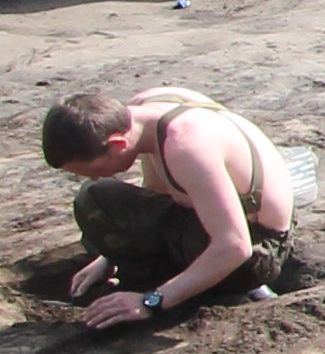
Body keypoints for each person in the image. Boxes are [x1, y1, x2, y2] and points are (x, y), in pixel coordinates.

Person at [40, 87, 301, 331]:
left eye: (91, 170)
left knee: (95, 196)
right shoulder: (145, 111)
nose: (94, 177)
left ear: (118, 144)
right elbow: (158, 195)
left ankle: (190, 293)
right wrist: (108, 258)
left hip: (255, 252)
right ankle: (170, 285)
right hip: (215, 225)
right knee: (98, 199)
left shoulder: (186, 146)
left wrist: (151, 301)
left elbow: (234, 246)